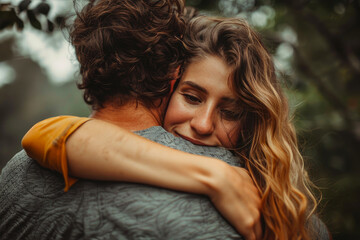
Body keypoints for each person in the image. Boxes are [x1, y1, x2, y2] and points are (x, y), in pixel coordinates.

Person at [21, 12, 330, 240]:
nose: (203, 124)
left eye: (231, 112)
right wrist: (215, 176)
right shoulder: (140, 150)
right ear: (166, 88)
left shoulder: (301, 221)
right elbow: (43, 135)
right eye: (192, 97)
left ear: (251, 123)